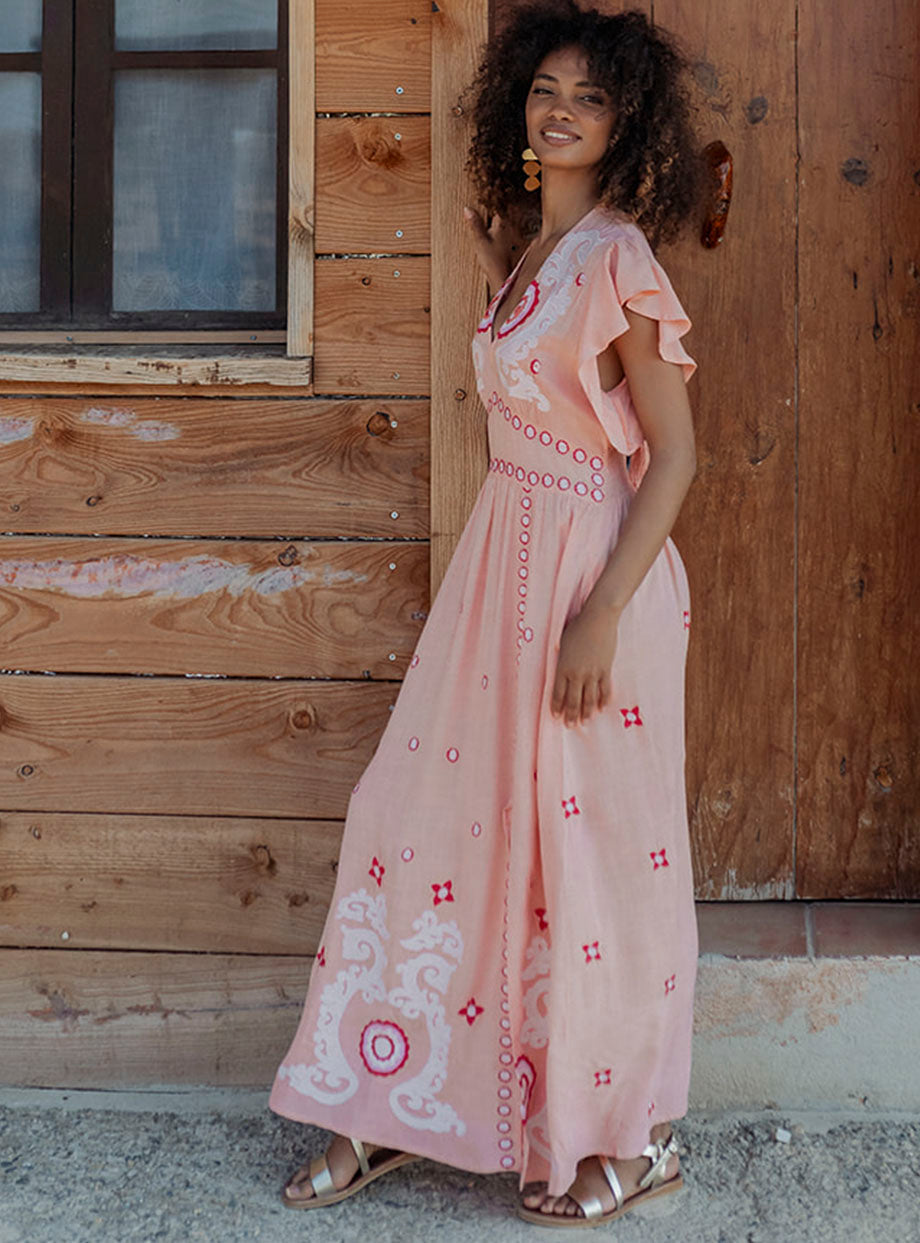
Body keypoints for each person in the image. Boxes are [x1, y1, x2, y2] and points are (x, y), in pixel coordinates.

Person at [271, 0, 704, 1226]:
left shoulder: (620, 261)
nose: (560, 111)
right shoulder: (533, 252)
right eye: (545, 89)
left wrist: (599, 615)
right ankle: (391, 1101)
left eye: (590, 98)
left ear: (626, 127)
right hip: (499, 571)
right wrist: (495, 267)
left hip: (590, 581)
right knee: (419, 818)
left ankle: (632, 1135)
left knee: (597, 856)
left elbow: (674, 456)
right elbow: (539, 386)